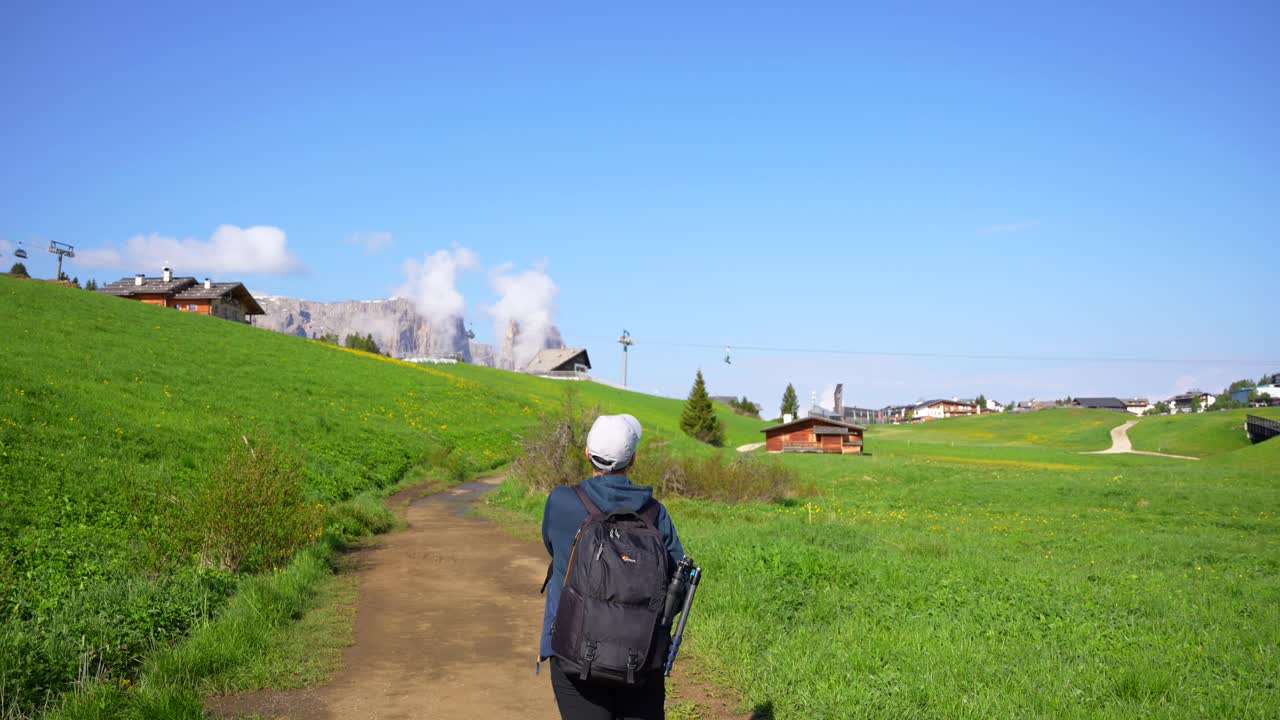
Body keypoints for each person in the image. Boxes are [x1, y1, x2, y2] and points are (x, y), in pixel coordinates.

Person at [540, 414, 684, 720]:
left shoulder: (562, 501)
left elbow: (551, 546)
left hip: (572, 652)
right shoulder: (655, 512)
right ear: (632, 460)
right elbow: (677, 584)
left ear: (587, 454)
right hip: (640, 657)